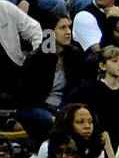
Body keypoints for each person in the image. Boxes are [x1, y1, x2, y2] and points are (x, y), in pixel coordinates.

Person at [15, 16, 84, 144]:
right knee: (52, 120)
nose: (68, 31)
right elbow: (26, 96)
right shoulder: (37, 59)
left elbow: (76, 90)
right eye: (63, 28)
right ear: (50, 33)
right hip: (36, 107)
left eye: (69, 27)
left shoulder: (75, 56)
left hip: (62, 107)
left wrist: (64, 109)